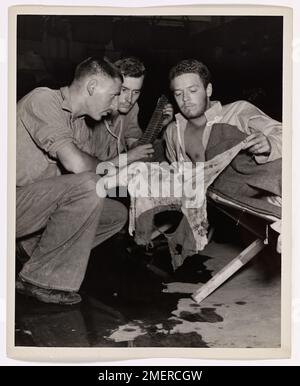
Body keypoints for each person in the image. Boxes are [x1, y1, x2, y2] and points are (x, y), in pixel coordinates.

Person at [16, 57, 128, 305]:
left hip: (31, 207)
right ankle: (39, 280)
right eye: (113, 95)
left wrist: (136, 180)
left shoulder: (80, 126)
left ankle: (33, 252)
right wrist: (111, 169)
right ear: (91, 87)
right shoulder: (43, 99)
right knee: (88, 186)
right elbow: (78, 166)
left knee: (115, 214)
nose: (115, 105)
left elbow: (94, 174)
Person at [165, 59, 282, 165]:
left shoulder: (237, 112)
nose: (185, 98)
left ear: (208, 90)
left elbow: (287, 135)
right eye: (178, 94)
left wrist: (270, 144)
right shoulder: (173, 131)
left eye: (193, 90)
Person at [91, 57, 174, 169]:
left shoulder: (132, 108)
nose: (129, 99)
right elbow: (86, 166)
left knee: (159, 147)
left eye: (135, 92)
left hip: (118, 166)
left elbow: (135, 145)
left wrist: (159, 126)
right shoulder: (92, 112)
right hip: (94, 172)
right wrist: (129, 157)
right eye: (124, 90)